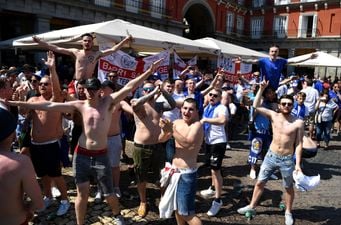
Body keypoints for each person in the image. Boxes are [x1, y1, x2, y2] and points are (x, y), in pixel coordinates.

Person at [6, 57, 163, 225]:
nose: (89, 92)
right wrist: (13, 102)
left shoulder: (108, 102)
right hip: (81, 155)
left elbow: (130, 86)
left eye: (93, 89)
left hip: (101, 156)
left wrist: (149, 71)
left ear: (99, 90)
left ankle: (117, 215)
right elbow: (48, 106)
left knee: (109, 194)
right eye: (87, 89)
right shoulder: (80, 105)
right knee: (82, 193)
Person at [237, 81, 304, 225]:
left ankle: (288, 212)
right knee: (260, 182)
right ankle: (252, 206)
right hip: (271, 156)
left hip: (287, 159)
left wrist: (298, 164)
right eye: (284, 104)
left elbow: (299, 144)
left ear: (293, 106)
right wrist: (261, 89)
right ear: (279, 105)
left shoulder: (298, 122)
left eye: (289, 104)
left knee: (288, 187)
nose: (286, 106)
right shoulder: (274, 115)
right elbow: (255, 106)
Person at [130, 80, 176, 217]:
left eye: (151, 89)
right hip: (141, 147)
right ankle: (143, 202)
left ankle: (163, 199)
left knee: (161, 175)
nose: (149, 92)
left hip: (157, 146)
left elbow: (172, 105)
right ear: (143, 91)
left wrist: (163, 91)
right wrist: (154, 92)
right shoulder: (137, 103)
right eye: (147, 90)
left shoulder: (159, 105)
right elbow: (136, 104)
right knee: (140, 175)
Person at [158, 98, 204, 225]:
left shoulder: (197, 125)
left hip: (186, 174)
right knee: (177, 208)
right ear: (180, 109)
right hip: (174, 171)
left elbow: (187, 144)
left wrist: (171, 129)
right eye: (185, 108)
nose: (187, 112)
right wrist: (164, 129)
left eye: (191, 109)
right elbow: (161, 139)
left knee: (187, 213)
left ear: (196, 111)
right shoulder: (177, 122)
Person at [0, 107, 44, 225]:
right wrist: (27, 209)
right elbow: (38, 203)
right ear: (12, 134)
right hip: (14, 220)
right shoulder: (20, 163)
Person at [32, 33, 132, 81]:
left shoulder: (96, 54)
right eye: (85, 40)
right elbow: (56, 48)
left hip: (89, 83)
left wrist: (124, 41)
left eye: (89, 41)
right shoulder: (76, 52)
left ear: (92, 43)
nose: (87, 43)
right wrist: (40, 42)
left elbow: (113, 50)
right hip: (76, 82)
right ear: (81, 42)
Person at [199, 88, 228, 216]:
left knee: (216, 170)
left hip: (218, 142)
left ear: (219, 98)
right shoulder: (207, 108)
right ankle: (212, 188)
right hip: (209, 142)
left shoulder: (221, 108)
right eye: (210, 94)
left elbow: (222, 120)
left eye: (215, 95)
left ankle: (218, 200)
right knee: (212, 168)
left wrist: (205, 120)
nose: (212, 97)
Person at [238, 44, 316, 90]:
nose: (273, 53)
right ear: (269, 52)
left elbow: (295, 61)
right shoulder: (263, 61)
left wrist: (309, 57)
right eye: (272, 51)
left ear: (278, 52)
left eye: (275, 51)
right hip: (264, 87)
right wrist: (242, 60)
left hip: (274, 88)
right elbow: (252, 61)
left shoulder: (281, 61)